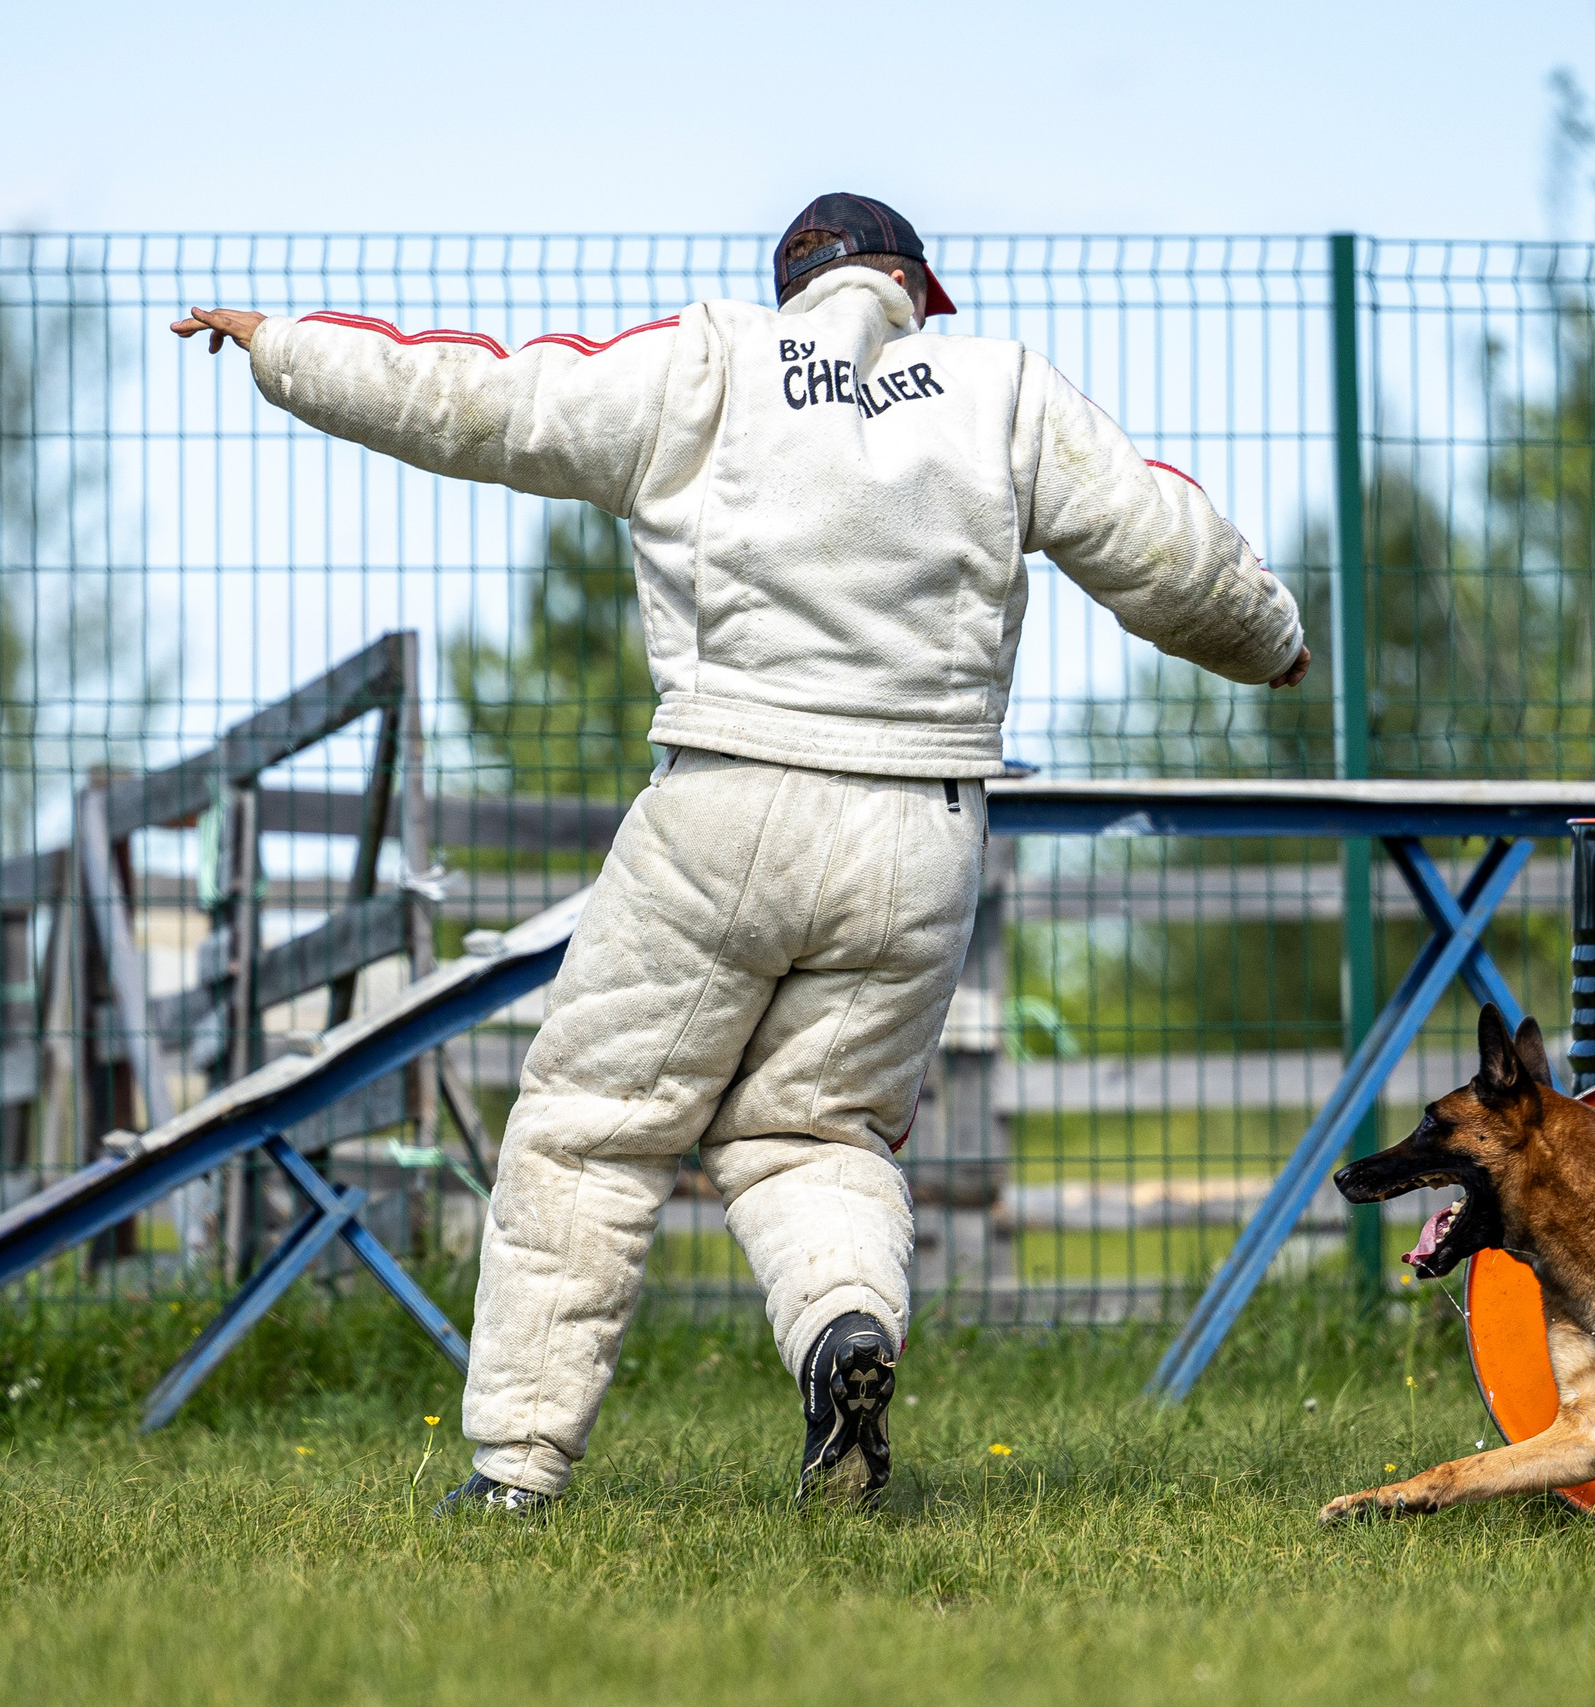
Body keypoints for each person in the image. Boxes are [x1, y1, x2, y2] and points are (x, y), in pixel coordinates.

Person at [174, 193, 1308, 1515]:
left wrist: (280, 348)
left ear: (795, 290)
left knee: (593, 1128)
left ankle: (517, 1469)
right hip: (920, 836)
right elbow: (1168, 546)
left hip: (726, 807)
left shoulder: (706, 365)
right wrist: (1270, 642)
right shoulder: (1004, 391)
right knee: (814, 1133)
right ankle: (841, 1330)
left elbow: (475, 400)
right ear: (912, 289)